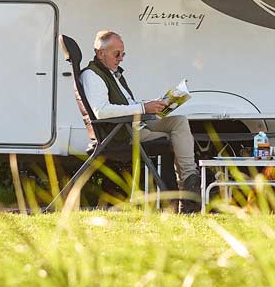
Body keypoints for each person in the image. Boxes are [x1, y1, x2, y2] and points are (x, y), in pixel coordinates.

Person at [80, 30, 198, 201]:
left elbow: (125, 104)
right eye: (117, 54)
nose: (121, 58)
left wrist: (154, 104)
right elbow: (102, 111)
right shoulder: (91, 75)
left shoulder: (112, 74)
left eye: (123, 54)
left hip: (133, 123)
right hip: (121, 132)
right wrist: (143, 108)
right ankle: (187, 192)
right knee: (172, 139)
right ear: (100, 53)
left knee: (179, 122)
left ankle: (189, 180)